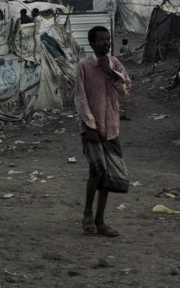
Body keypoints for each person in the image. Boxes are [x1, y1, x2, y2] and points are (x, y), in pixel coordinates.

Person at [74, 26, 131, 237]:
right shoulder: (84, 66)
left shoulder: (115, 64)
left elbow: (125, 90)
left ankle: (100, 220)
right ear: (91, 43)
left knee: (108, 175)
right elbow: (80, 98)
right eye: (100, 40)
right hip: (91, 128)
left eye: (107, 39)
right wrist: (90, 125)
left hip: (111, 129)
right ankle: (88, 213)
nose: (105, 43)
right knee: (96, 171)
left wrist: (110, 71)